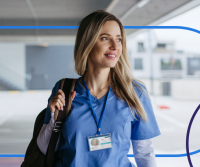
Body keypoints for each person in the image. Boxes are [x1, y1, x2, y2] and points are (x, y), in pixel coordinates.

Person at [37, 10, 161, 167]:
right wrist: (54, 119)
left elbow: (145, 153)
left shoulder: (135, 92)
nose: (115, 46)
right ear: (87, 43)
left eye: (119, 39)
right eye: (105, 38)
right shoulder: (64, 89)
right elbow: (45, 148)